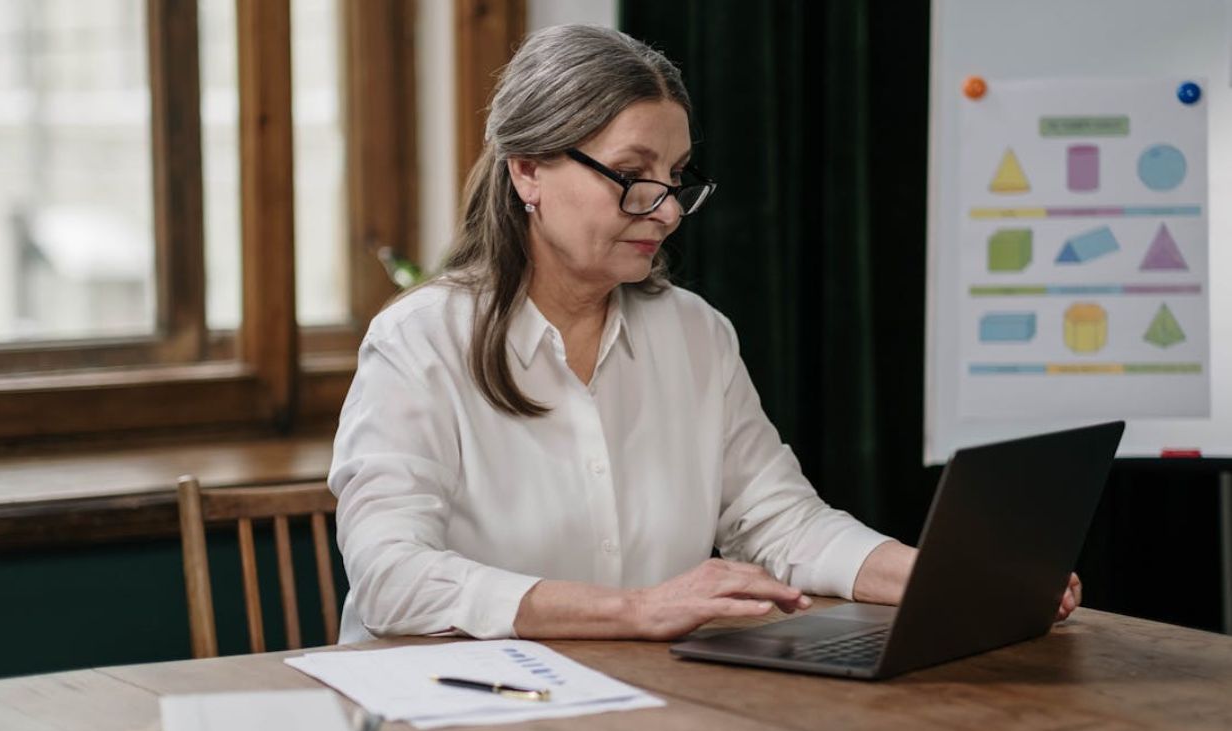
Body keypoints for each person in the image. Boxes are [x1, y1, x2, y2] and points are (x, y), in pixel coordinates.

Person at [329, 24, 1081, 644]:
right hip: (451, 711)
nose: (663, 210)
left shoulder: (694, 333)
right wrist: (632, 609)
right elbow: (390, 577)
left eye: (678, 176)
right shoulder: (418, 341)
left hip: (638, 706)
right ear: (528, 171)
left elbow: (782, 522)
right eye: (632, 173)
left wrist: (947, 579)